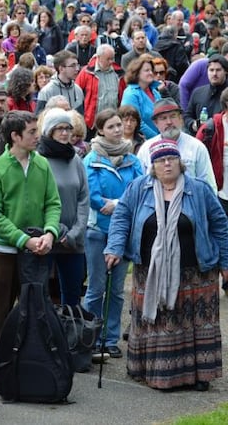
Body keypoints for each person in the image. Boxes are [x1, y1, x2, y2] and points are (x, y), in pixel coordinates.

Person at [104, 139, 228, 391]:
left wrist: (226, 261)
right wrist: (115, 248)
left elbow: (220, 225)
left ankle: (198, 376)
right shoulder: (139, 188)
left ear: (180, 162)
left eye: (172, 158)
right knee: (158, 322)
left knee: (195, 324)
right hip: (149, 272)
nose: (167, 163)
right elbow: (122, 217)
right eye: (161, 160)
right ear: (153, 166)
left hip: (196, 273)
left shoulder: (199, 189)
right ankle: (154, 373)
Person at [0, 110, 62, 391]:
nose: (38, 136)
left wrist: (50, 233)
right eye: (32, 132)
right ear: (15, 136)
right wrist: (23, 240)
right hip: (3, 252)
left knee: (34, 312)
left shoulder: (42, 165)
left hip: (36, 251)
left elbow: (53, 203)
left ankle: (25, 368)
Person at [82, 108, 144, 359]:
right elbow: (94, 196)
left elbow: (140, 189)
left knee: (117, 290)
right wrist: (111, 204)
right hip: (98, 231)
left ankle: (110, 338)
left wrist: (118, 205)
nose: (118, 130)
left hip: (124, 232)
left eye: (119, 125)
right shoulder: (91, 159)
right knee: (96, 288)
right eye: (111, 126)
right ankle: (90, 337)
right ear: (100, 130)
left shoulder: (133, 159)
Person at [37, 109, 89, 307]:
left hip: (73, 241)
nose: (65, 133)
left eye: (68, 128)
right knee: (42, 295)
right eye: (60, 128)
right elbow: (37, 199)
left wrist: (76, 232)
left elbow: (84, 198)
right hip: (46, 238)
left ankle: (72, 334)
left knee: (72, 296)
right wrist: (54, 229)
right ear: (49, 131)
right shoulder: (39, 160)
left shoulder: (75, 159)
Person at [136, 99, 217, 192]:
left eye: (173, 116)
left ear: (180, 119)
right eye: (163, 118)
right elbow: (139, 185)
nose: (169, 122)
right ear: (156, 123)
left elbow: (209, 185)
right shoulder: (146, 148)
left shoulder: (196, 147)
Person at [121, 55, 163, 139]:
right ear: (137, 73)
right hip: (141, 142)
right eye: (147, 70)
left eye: (151, 70)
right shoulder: (131, 94)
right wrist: (157, 138)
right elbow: (136, 122)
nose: (151, 73)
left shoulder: (155, 92)